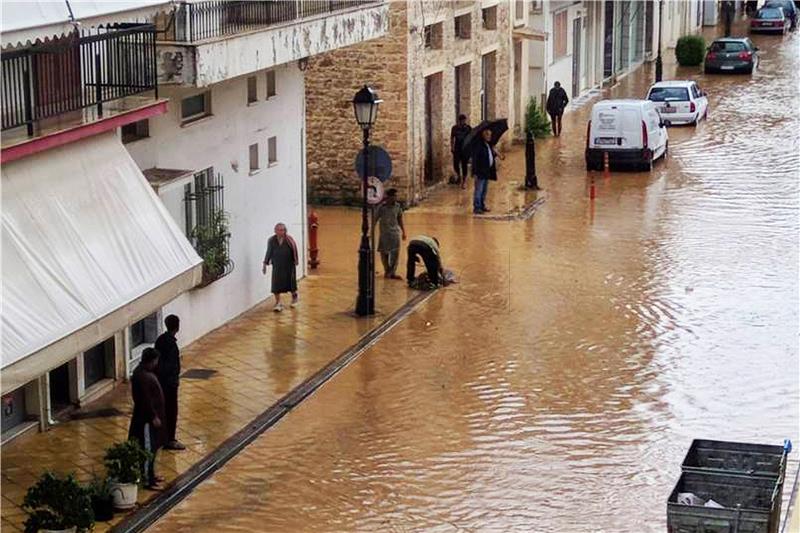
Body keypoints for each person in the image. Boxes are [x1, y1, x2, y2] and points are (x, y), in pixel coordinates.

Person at [128, 347, 165, 489]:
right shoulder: (142, 376)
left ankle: (151, 474)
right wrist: (153, 416)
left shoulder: (143, 373)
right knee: (148, 449)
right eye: (156, 361)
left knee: (152, 449)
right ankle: (148, 480)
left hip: (148, 418)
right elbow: (145, 400)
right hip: (146, 420)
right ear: (151, 361)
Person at [155, 314, 184, 451]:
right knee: (171, 411)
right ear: (177, 327)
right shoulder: (171, 344)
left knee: (163, 410)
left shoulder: (160, 340)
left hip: (161, 382)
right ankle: (169, 439)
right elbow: (171, 366)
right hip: (169, 384)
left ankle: (161, 437)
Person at [263, 222, 299, 312]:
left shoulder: (289, 240)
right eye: (279, 230)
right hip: (277, 265)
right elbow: (269, 252)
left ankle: (294, 297)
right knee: (276, 284)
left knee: (291, 283)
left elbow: (294, 250)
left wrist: (296, 261)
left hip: (289, 265)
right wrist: (265, 263)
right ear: (275, 231)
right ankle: (278, 303)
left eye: (283, 230)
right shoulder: (271, 240)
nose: (281, 232)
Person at [375, 188, 406, 279]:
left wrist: (404, 232)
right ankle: (387, 270)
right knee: (384, 252)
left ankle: (392, 272)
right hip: (384, 234)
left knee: (395, 253)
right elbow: (375, 219)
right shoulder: (382, 207)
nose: (395, 198)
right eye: (394, 196)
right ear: (389, 197)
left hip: (395, 233)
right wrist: (370, 232)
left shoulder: (397, 206)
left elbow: (400, 219)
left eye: (396, 196)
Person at [471, 128, 499, 215]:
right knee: (478, 189)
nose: (489, 137)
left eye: (490, 135)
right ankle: (477, 207)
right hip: (480, 171)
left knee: (484, 190)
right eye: (488, 135)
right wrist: (474, 172)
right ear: (483, 135)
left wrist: (495, 153)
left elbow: (489, 156)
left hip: (487, 171)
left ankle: (482, 205)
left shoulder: (488, 145)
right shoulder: (478, 146)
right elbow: (475, 159)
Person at [450, 114, 472, 189]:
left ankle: (464, 181)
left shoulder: (468, 128)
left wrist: (470, 149)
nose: (463, 122)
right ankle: (459, 176)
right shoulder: (454, 128)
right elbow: (452, 137)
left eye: (464, 120)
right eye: (462, 120)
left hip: (465, 149)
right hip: (457, 148)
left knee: (464, 164)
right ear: (459, 121)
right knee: (455, 164)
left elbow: (471, 138)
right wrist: (452, 147)